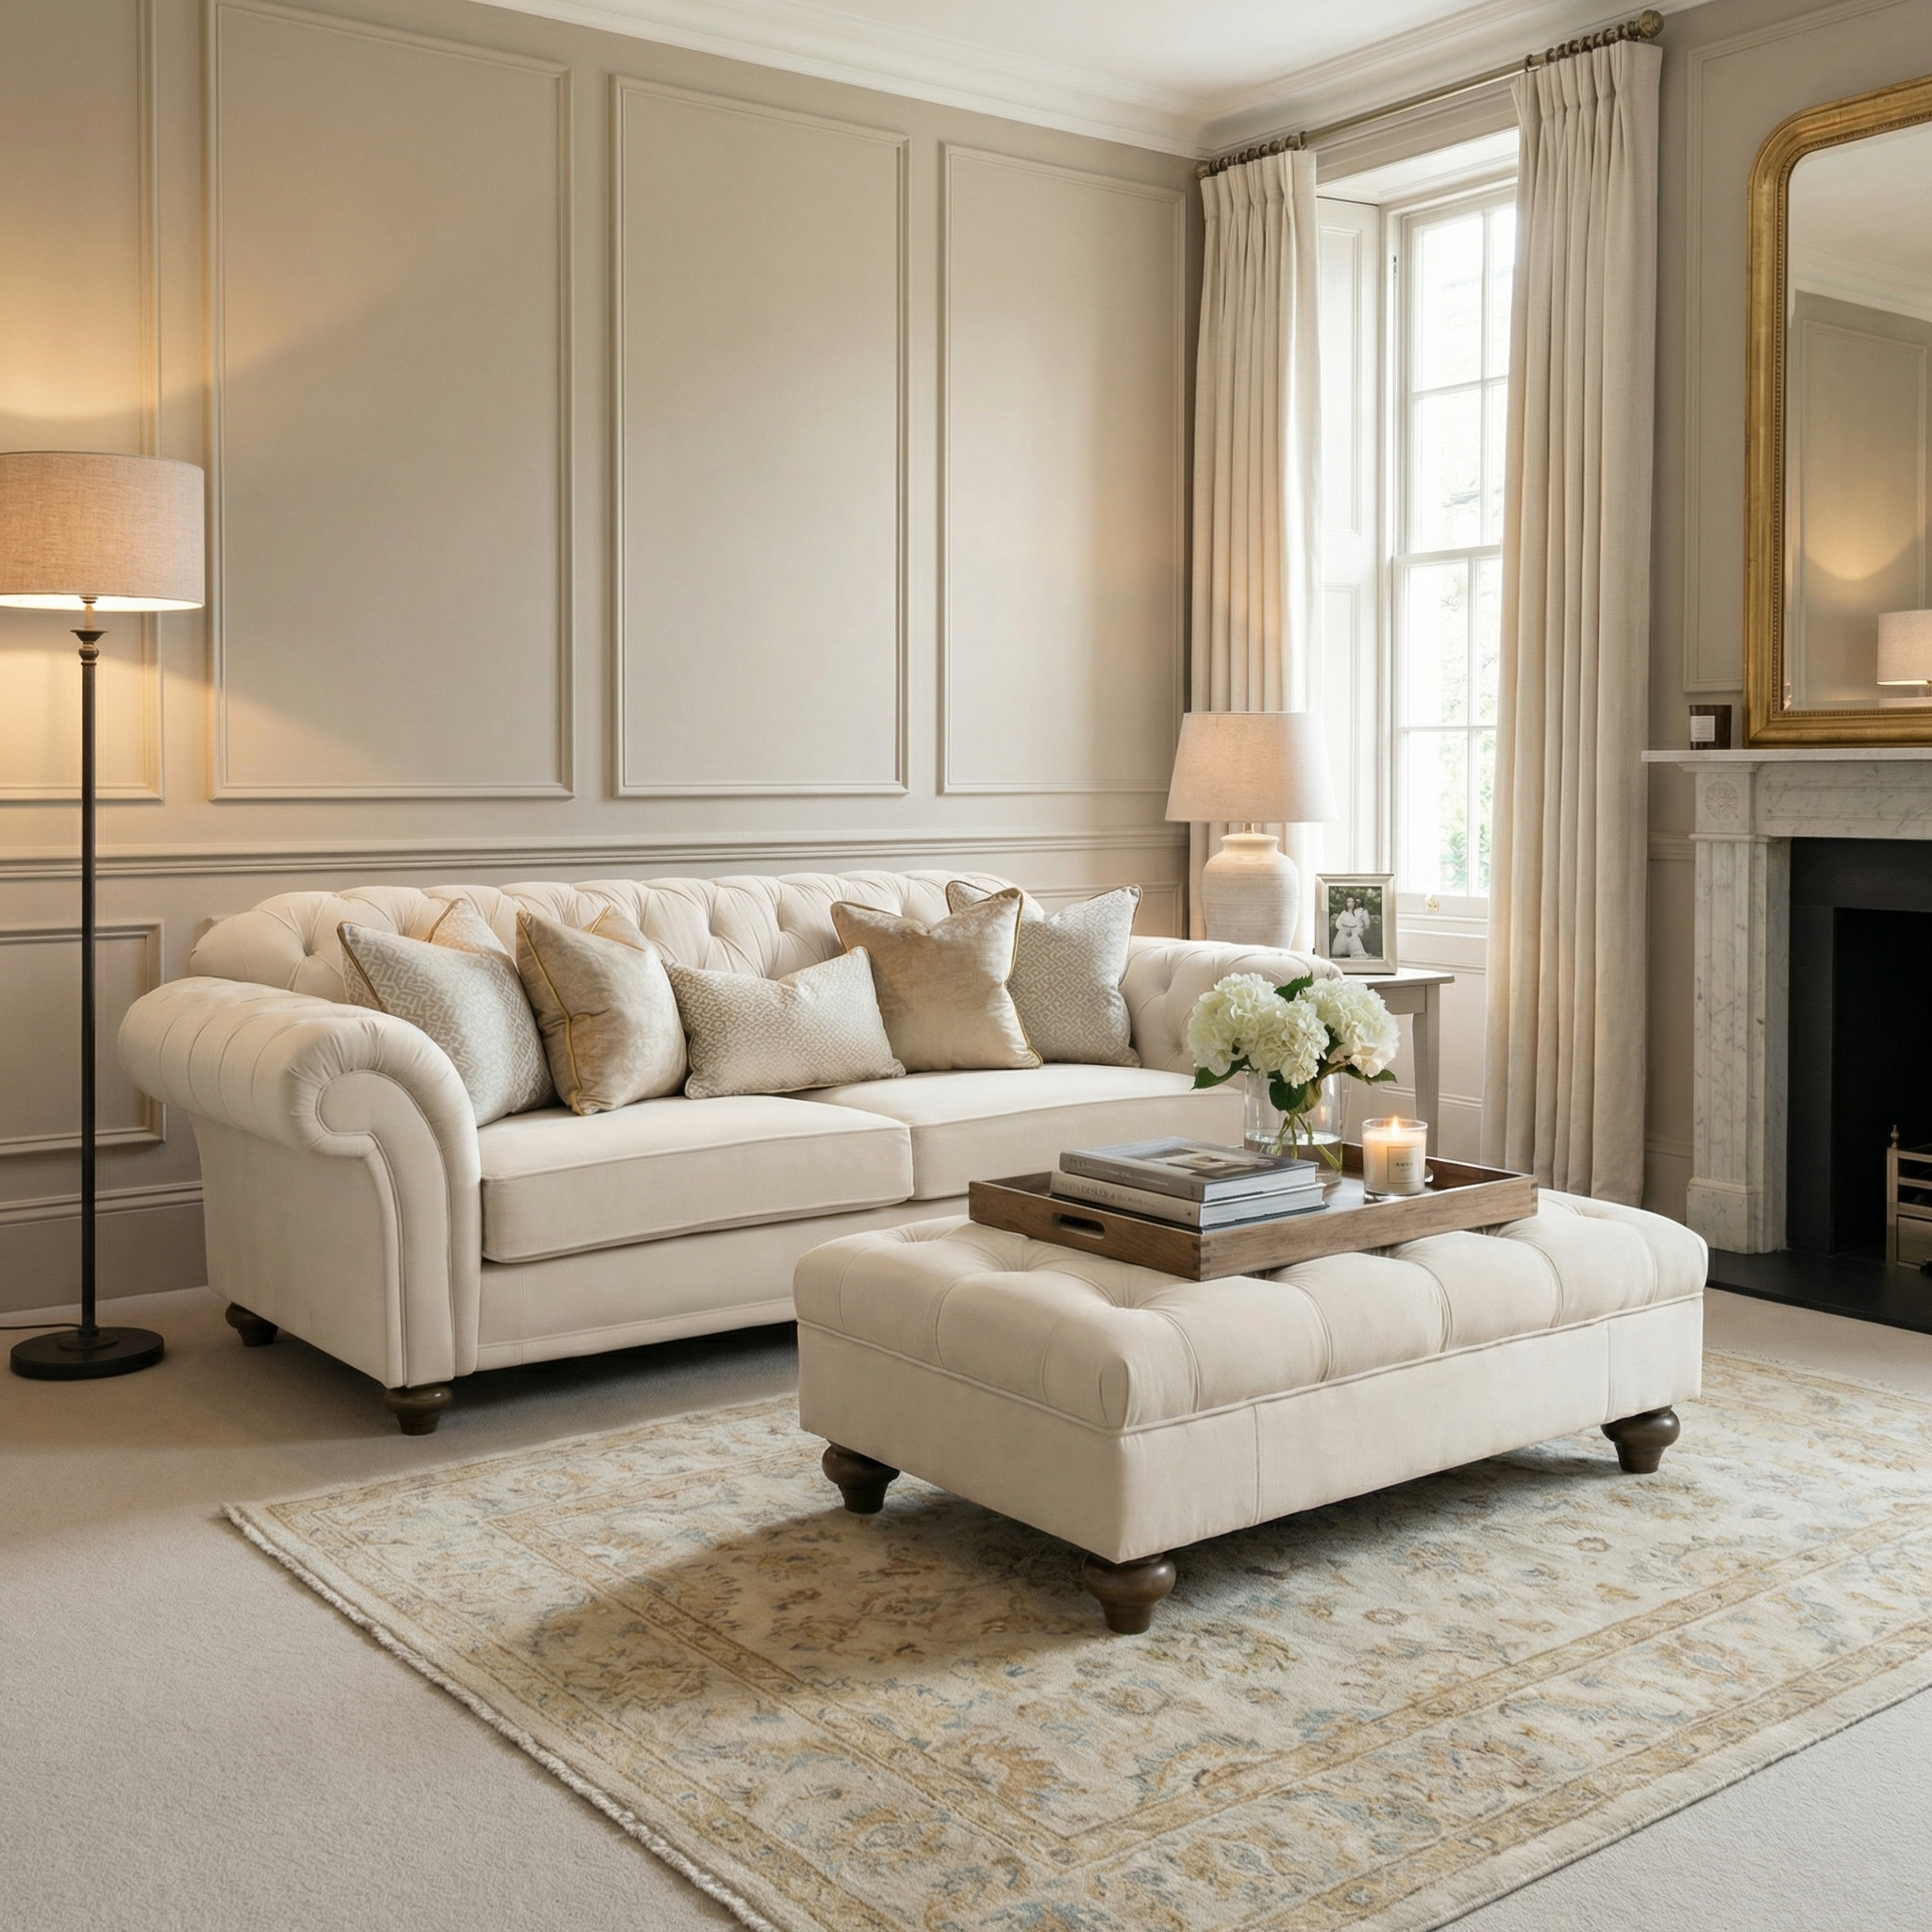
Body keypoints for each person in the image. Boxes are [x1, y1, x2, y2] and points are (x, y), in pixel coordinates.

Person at [1331, 892, 1371, 959]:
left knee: (1357, 953)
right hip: (1343, 932)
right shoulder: (1344, 912)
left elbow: (1359, 923)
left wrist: (1354, 931)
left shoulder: (1358, 912)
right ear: (1346, 903)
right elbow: (1338, 923)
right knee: (1342, 952)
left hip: (1354, 933)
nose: (1351, 903)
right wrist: (1344, 930)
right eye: (1349, 902)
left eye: (1352, 902)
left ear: (1354, 903)